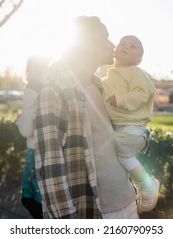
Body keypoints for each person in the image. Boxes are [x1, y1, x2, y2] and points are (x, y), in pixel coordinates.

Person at [33, 16, 139, 219]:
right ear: (87, 44)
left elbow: (127, 133)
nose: (113, 44)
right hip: (95, 214)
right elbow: (51, 171)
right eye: (106, 37)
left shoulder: (103, 87)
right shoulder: (54, 93)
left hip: (128, 203)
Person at [98, 35, 159, 214]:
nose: (126, 47)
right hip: (121, 127)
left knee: (124, 156)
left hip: (133, 127)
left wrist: (122, 98)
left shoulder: (135, 72)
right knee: (119, 156)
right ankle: (140, 186)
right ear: (115, 50)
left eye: (133, 47)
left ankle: (147, 185)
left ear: (138, 60)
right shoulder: (108, 74)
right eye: (123, 43)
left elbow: (144, 93)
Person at [16, 55, 50, 219]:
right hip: (52, 150)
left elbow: (26, 130)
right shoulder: (51, 87)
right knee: (48, 201)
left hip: (35, 152)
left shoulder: (32, 89)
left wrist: (19, 120)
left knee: (30, 200)